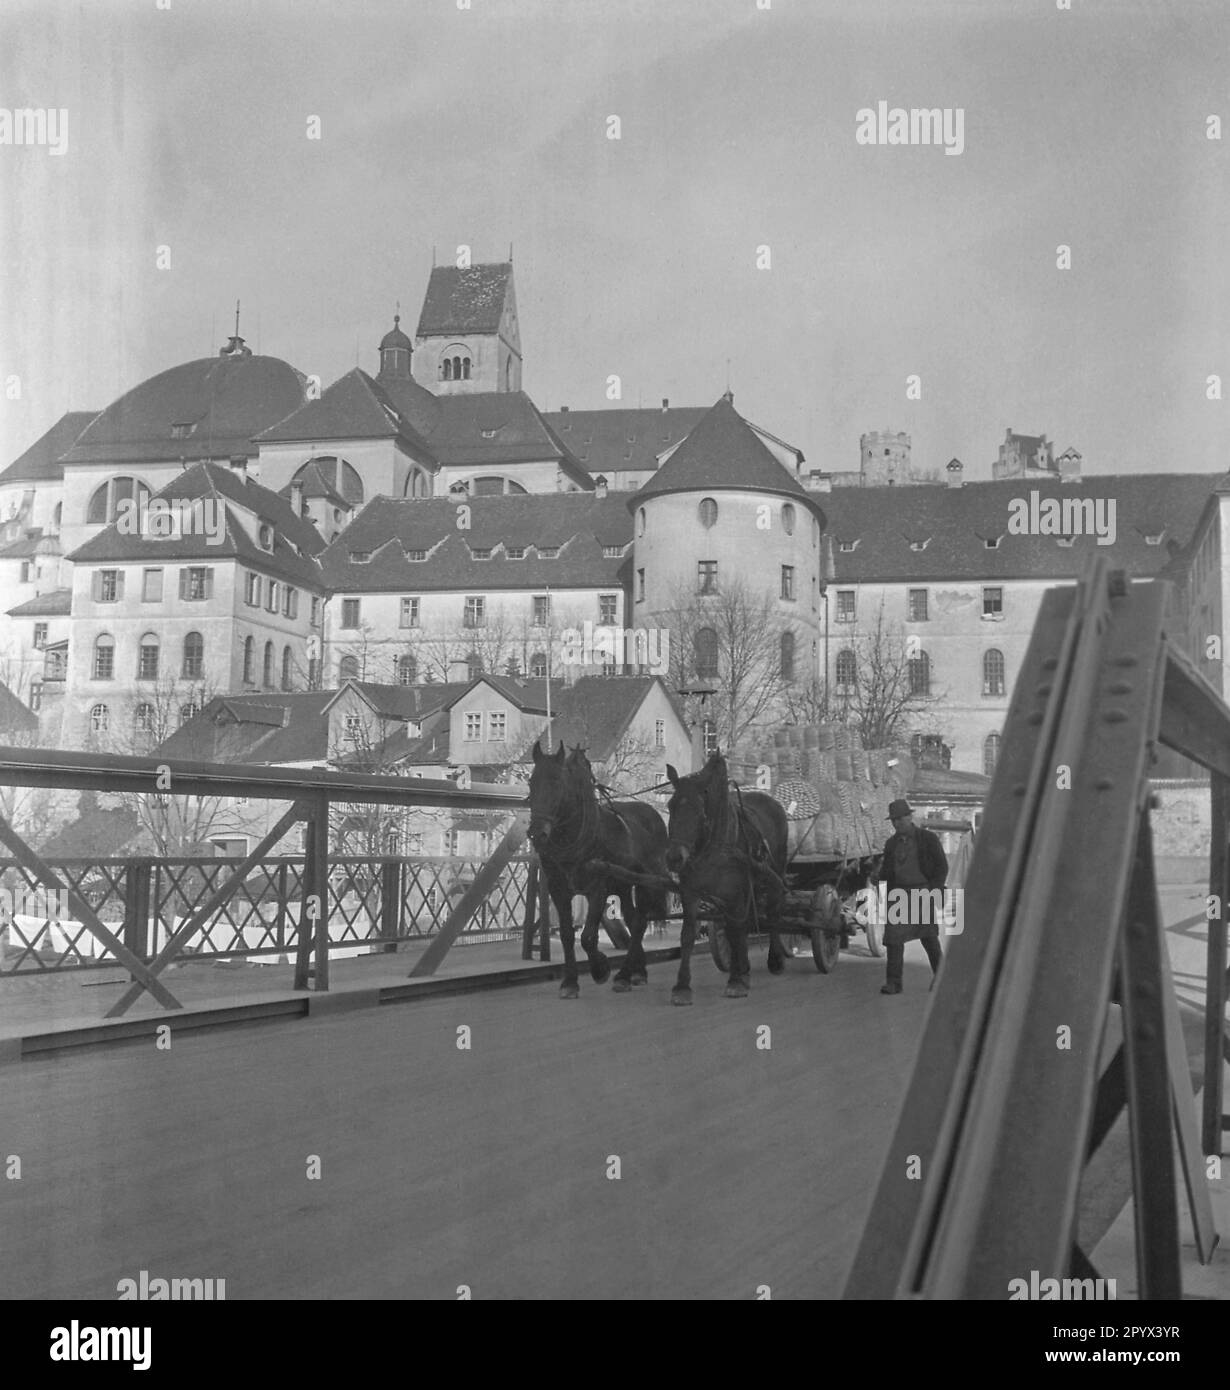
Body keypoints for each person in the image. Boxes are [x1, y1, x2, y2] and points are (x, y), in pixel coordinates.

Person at [879, 798, 947, 995]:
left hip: (922, 892)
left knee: (929, 938)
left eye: (901, 818)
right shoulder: (891, 844)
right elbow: (886, 871)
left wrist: (933, 889)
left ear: (910, 817)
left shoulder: (927, 839)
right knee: (893, 940)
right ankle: (893, 982)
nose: (897, 823)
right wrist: (878, 877)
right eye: (894, 820)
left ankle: (941, 978)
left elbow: (942, 867)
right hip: (898, 894)